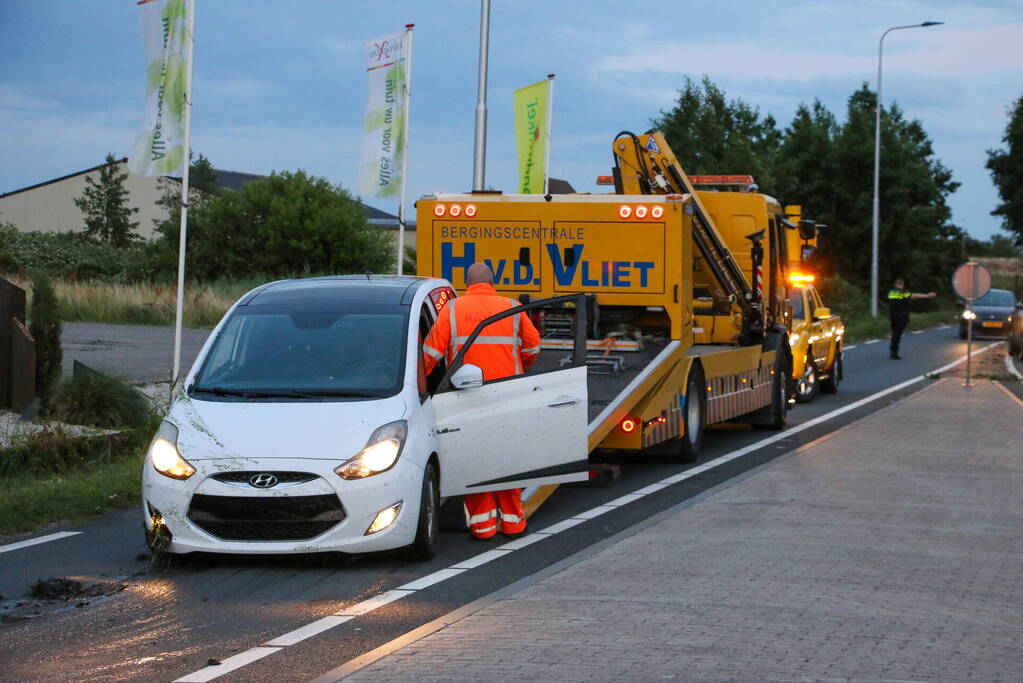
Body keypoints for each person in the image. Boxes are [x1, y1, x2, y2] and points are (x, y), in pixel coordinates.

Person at [422, 263, 541, 540]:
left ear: (466, 282)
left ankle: (482, 527)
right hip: (508, 394)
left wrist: (420, 388)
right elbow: (533, 346)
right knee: (507, 458)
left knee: (475, 458)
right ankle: (512, 523)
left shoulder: (451, 310)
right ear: (493, 280)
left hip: (467, 395)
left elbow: (430, 353)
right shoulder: (511, 307)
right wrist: (520, 367)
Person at [886, 278, 936, 359]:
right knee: (897, 334)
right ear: (902, 285)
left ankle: (893, 350)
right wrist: (927, 295)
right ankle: (894, 352)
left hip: (892, 316)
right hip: (901, 316)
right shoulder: (902, 292)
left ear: (895, 284)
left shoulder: (891, 292)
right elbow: (914, 295)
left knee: (894, 332)